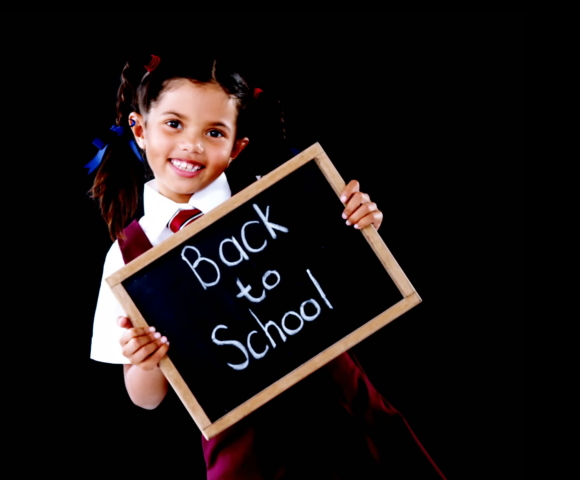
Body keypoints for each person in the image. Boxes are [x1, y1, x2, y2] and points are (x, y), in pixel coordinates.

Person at [88, 54, 444, 480]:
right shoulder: (129, 256)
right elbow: (147, 399)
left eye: (214, 131)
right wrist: (144, 362)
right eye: (174, 124)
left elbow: (350, 281)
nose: (192, 145)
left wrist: (360, 226)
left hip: (345, 415)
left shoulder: (281, 201)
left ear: (237, 147)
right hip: (246, 454)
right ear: (141, 130)